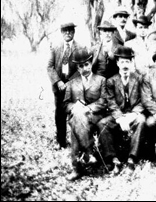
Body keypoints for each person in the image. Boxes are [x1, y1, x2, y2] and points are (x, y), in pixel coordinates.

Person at [97, 46, 147, 174]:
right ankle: (113, 159)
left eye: (127, 61)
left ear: (131, 63)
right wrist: (120, 118)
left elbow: (143, 100)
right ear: (118, 63)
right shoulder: (111, 81)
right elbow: (111, 102)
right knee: (102, 124)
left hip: (133, 113)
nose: (125, 65)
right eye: (122, 62)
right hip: (118, 115)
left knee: (141, 120)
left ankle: (132, 159)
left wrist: (133, 114)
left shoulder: (139, 78)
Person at [63, 47, 108, 181]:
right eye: (81, 66)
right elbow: (65, 105)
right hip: (78, 116)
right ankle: (88, 154)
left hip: (95, 116)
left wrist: (88, 108)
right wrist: (74, 107)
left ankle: (77, 167)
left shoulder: (101, 80)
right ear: (77, 68)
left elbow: (104, 101)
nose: (84, 68)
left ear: (91, 63)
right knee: (77, 118)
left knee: (76, 123)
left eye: (87, 64)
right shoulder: (71, 83)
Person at [47, 22, 85, 150]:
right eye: (65, 31)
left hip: (74, 85)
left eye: (70, 30)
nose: (68, 33)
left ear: (74, 32)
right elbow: (50, 67)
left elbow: (82, 68)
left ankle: (78, 142)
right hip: (59, 86)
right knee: (59, 113)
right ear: (61, 33)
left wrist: (69, 83)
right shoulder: (55, 47)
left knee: (75, 112)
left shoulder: (80, 47)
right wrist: (58, 82)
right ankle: (61, 141)